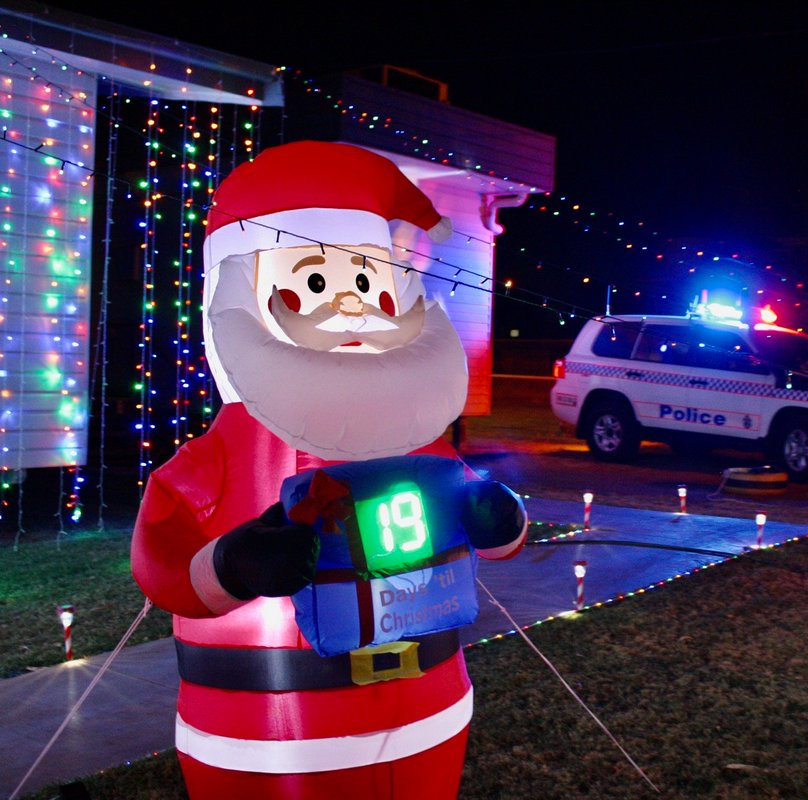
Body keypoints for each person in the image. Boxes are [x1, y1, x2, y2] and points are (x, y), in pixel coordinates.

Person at [131, 140, 527, 799]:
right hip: (270, 730)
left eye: (367, 282)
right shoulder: (219, 457)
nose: (351, 305)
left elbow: (481, 512)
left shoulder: (417, 438)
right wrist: (230, 568)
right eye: (315, 281)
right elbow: (162, 557)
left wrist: (501, 520)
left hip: (431, 711)